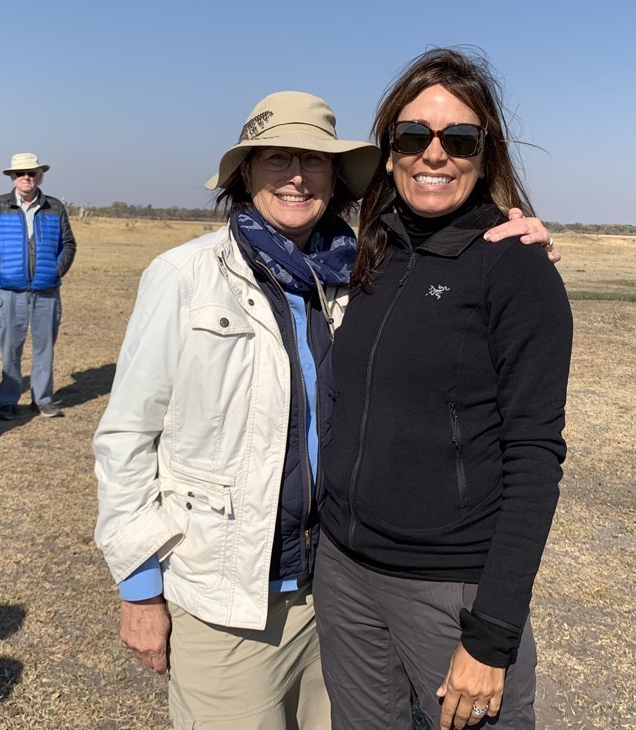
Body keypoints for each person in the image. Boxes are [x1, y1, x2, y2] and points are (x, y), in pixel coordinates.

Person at [93, 91, 558, 729]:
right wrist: (140, 587)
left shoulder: (356, 270)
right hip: (230, 596)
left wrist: (522, 246)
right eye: (277, 158)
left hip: (331, 594)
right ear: (245, 173)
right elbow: (125, 437)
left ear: (336, 177)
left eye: (314, 160)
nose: (296, 176)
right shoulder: (184, 276)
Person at [315, 49, 574, 730]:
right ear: (389, 152)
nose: (434, 154)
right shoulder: (371, 253)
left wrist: (491, 634)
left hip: (448, 587)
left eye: (459, 139)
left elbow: (535, 455)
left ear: (485, 155)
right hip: (345, 572)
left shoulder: (515, 268)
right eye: (413, 136)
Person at [0, 153, 76, 420]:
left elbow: (68, 244)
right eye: (20, 173)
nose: (26, 177)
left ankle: (42, 399)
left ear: (40, 176)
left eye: (31, 173)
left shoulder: (55, 207)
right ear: (12, 177)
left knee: (44, 347)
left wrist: (56, 270)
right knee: (10, 347)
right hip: (9, 290)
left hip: (46, 291)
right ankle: (8, 401)